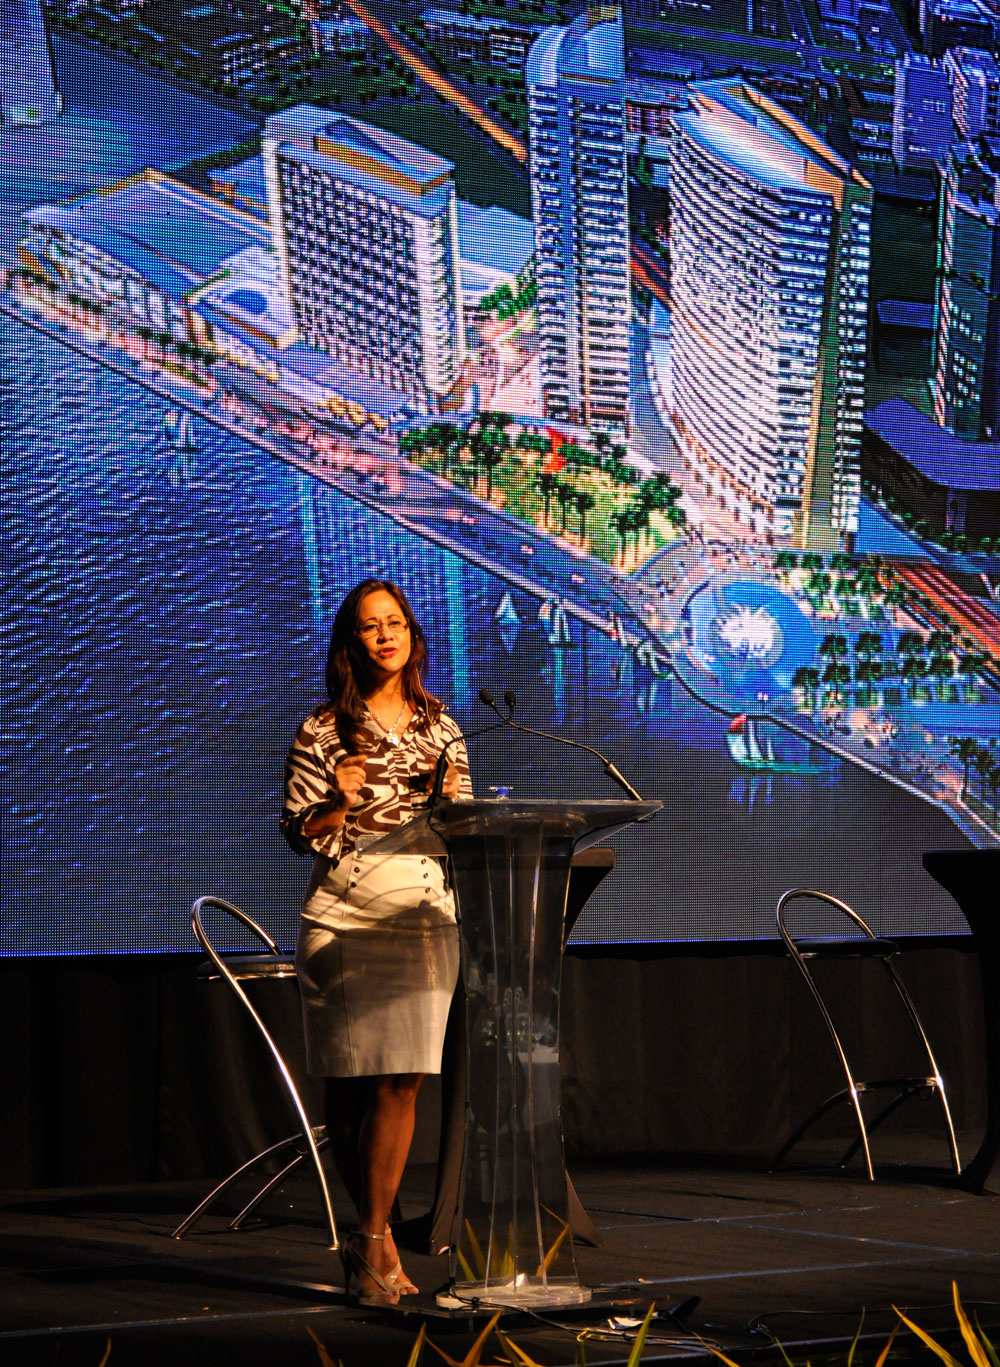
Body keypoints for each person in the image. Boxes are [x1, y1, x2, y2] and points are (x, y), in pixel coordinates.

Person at [281, 578, 472, 1305]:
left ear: (412, 637)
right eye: (370, 626)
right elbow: (298, 832)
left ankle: (369, 1235)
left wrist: (453, 807)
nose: (386, 635)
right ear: (351, 642)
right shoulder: (321, 730)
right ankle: (375, 1240)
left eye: (396, 623)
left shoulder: (442, 726)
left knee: (402, 1081)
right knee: (351, 1085)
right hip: (346, 912)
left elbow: (464, 824)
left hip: (423, 912)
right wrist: (338, 800)